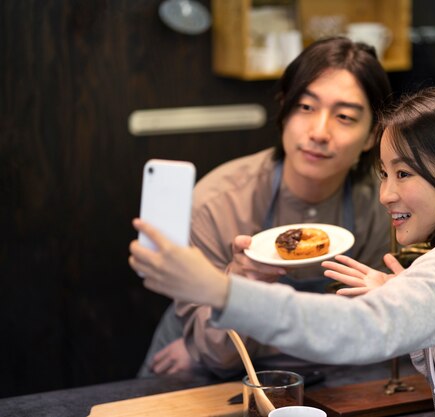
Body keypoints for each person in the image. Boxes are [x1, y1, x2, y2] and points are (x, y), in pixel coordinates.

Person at [129, 86, 435, 416]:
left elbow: (355, 332)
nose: (387, 194)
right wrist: (402, 295)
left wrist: (218, 288)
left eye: (404, 174)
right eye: (384, 174)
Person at [137, 37, 393, 378]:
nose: (319, 132)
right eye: (305, 107)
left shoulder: (384, 206)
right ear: (284, 108)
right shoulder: (217, 203)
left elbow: (369, 332)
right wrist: (237, 284)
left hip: (326, 372)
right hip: (216, 372)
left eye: (345, 116)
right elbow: (217, 354)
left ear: (372, 136)